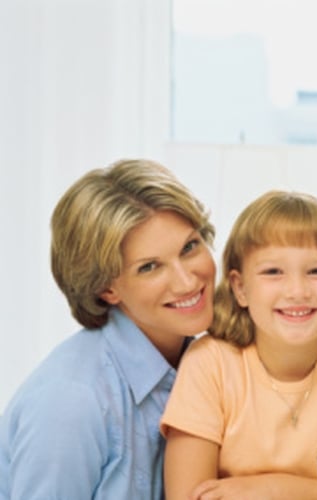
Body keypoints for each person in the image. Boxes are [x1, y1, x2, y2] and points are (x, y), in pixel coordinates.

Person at [161, 190, 317, 500]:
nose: (297, 291)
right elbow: (188, 496)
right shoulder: (210, 362)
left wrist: (274, 489)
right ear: (240, 288)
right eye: (273, 272)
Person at [0, 159, 216, 499]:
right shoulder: (71, 403)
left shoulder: (206, 362)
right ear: (107, 289)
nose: (188, 281)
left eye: (189, 247)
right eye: (150, 267)